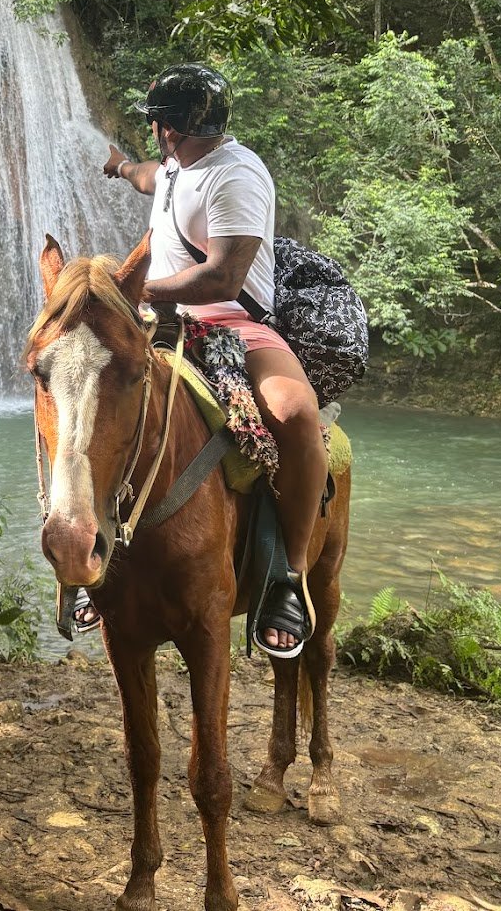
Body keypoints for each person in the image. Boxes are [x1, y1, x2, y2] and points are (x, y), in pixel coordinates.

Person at [90, 62, 329, 658]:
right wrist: (121, 166)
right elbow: (151, 177)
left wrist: (136, 290)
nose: (156, 135)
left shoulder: (237, 176)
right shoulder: (178, 164)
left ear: (168, 128)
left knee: (296, 414)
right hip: (161, 324)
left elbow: (224, 276)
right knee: (84, 396)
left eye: (156, 125)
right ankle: (90, 551)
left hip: (233, 327)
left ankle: (288, 576)